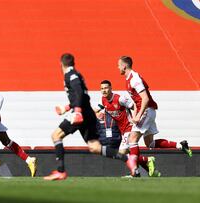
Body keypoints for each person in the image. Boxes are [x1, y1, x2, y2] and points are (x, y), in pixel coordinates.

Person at [44, 53, 136, 181]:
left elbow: (79, 92)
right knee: (95, 147)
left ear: (61, 64)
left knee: (56, 136)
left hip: (81, 113)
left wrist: (76, 111)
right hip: (87, 113)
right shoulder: (77, 74)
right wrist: (67, 107)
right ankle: (127, 159)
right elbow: (81, 96)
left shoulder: (71, 75)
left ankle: (61, 171)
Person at [117, 56, 192, 175]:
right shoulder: (128, 79)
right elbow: (137, 101)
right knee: (149, 144)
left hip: (146, 110)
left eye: (119, 65)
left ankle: (134, 172)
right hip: (148, 111)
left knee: (132, 139)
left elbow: (145, 99)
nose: (118, 67)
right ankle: (180, 145)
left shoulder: (134, 79)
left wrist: (138, 116)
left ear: (124, 66)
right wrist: (135, 116)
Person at [95, 80, 160, 177]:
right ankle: (148, 168)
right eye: (102, 88)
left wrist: (135, 118)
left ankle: (137, 170)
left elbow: (134, 106)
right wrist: (97, 113)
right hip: (123, 130)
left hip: (129, 127)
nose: (104, 90)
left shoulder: (120, 98)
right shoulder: (103, 100)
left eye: (106, 88)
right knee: (130, 153)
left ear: (110, 88)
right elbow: (97, 109)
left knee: (122, 152)